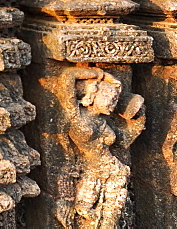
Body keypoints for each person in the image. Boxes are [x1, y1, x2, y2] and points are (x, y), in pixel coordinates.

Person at [61, 67, 144, 229]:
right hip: (90, 172)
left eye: (115, 100)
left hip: (115, 173)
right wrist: (103, 75)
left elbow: (124, 142)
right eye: (110, 98)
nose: (113, 104)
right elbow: (68, 75)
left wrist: (140, 121)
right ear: (94, 96)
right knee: (83, 211)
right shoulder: (76, 115)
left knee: (109, 222)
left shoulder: (103, 122)